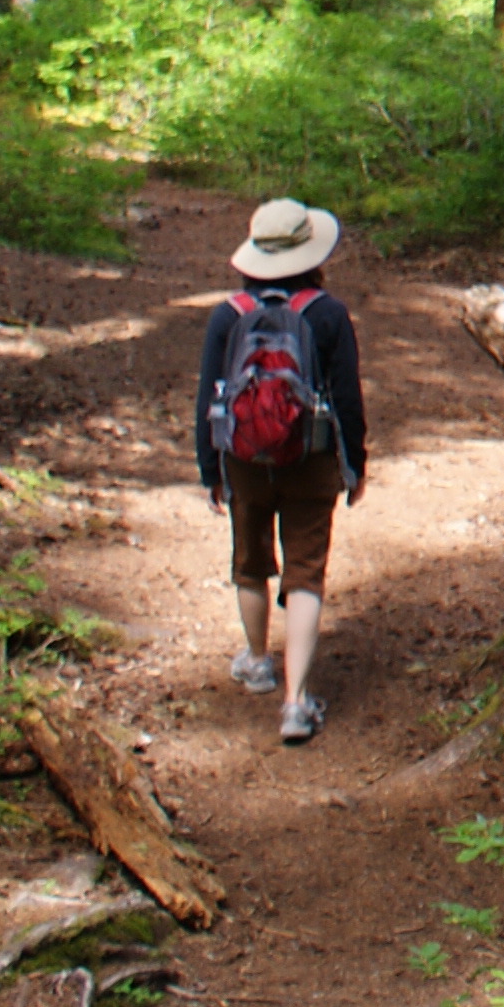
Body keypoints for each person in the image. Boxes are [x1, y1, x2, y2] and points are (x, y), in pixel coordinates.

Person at [195, 199, 369, 745]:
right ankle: (296, 703)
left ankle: (255, 661)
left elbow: (209, 396)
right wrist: (354, 464)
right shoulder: (328, 314)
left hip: (244, 460)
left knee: (250, 561)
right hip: (311, 457)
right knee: (305, 570)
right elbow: (346, 396)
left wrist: (210, 469)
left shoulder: (229, 313)